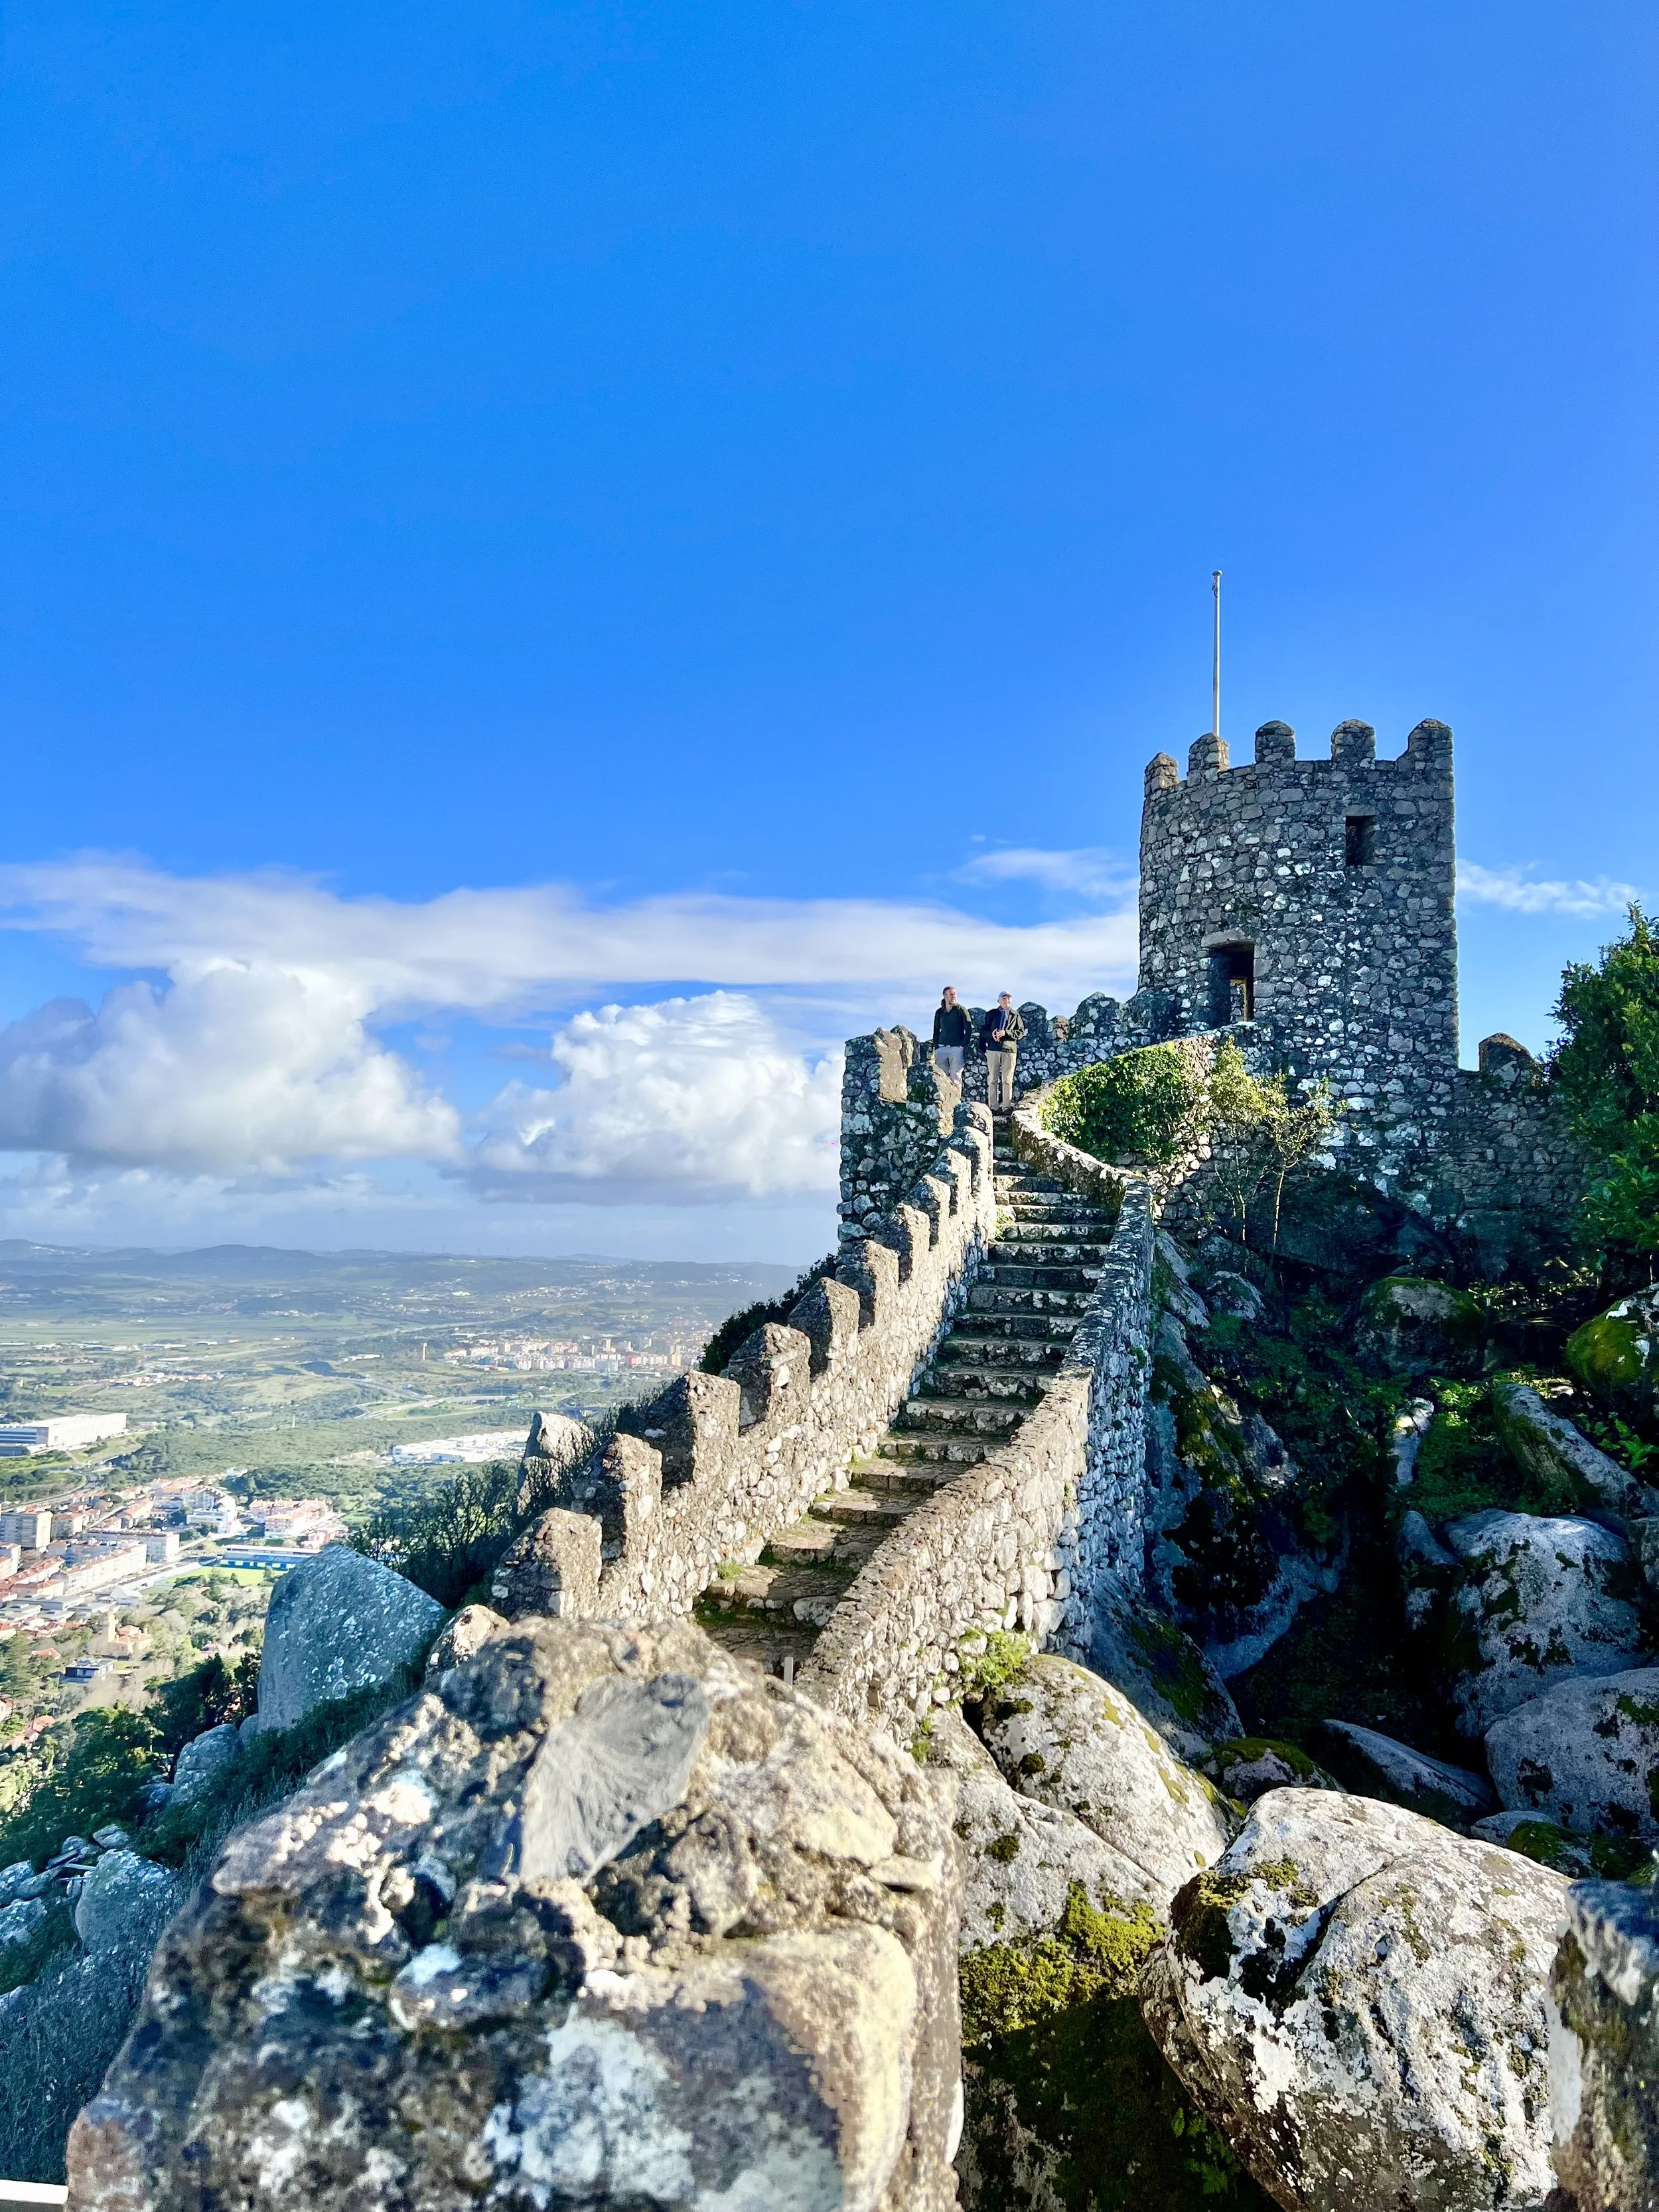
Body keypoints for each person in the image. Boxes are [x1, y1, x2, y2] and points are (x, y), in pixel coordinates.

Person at [981, 993, 1025, 1112]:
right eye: (1004, 999)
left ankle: (1006, 1107)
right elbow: (983, 1031)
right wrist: (992, 1034)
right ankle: (993, 1108)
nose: (1007, 1001)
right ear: (999, 1001)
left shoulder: (1016, 1016)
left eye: (1009, 999)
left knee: (1007, 1081)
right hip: (993, 1050)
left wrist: (1006, 1033)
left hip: (1009, 1051)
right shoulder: (991, 1014)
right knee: (993, 1080)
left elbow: (1020, 1033)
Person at [931, 986, 970, 1080]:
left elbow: (968, 1029)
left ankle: (957, 1095)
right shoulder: (940, 1012)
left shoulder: (961, 1010)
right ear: (945, 996)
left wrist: (962, 1046)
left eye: (955, 994)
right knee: (940, 1078)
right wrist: (936, 1047)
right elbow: (936, 1030)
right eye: (951, 994)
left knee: (956, 1077)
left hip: (956, 1048)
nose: (954, 997)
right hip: (941, 1048)